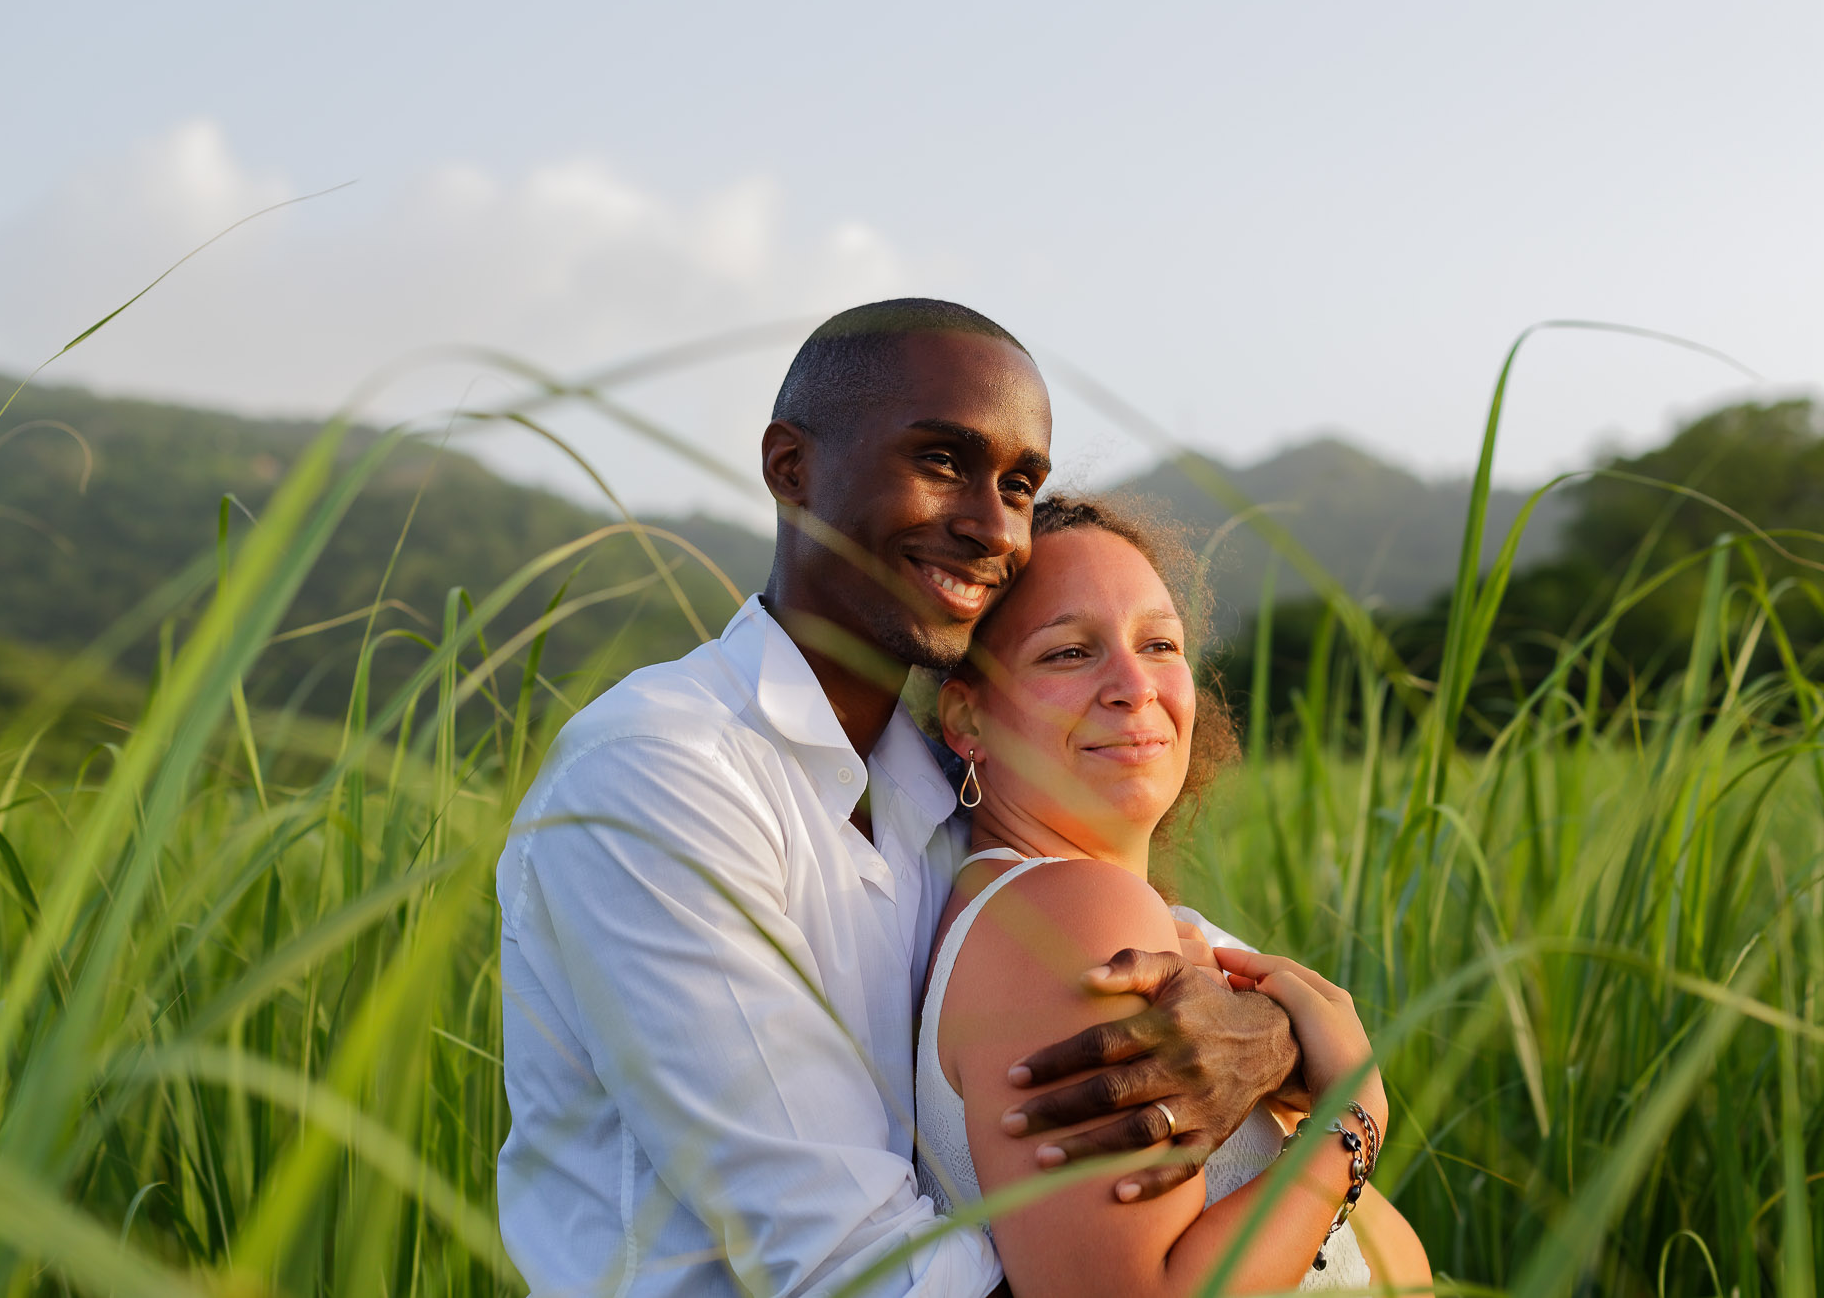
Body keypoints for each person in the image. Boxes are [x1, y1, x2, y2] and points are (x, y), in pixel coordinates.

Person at [496, 299, 1318, 1297]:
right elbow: (844, 1265)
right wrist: (1333, 1146)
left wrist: (1275, 1036)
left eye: (1018, 484)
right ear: (788, 467)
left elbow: (1130, 938)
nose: (988, 526)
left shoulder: (932, 779)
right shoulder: (661, 774)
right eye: (940, 462)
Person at [921, 495, 1432, 1295]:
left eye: (1160, 642)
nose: (1135, 685)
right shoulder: (1073, 912)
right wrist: (1354, 1117)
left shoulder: (1138, 923)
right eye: (1067, 652)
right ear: (966, 715)